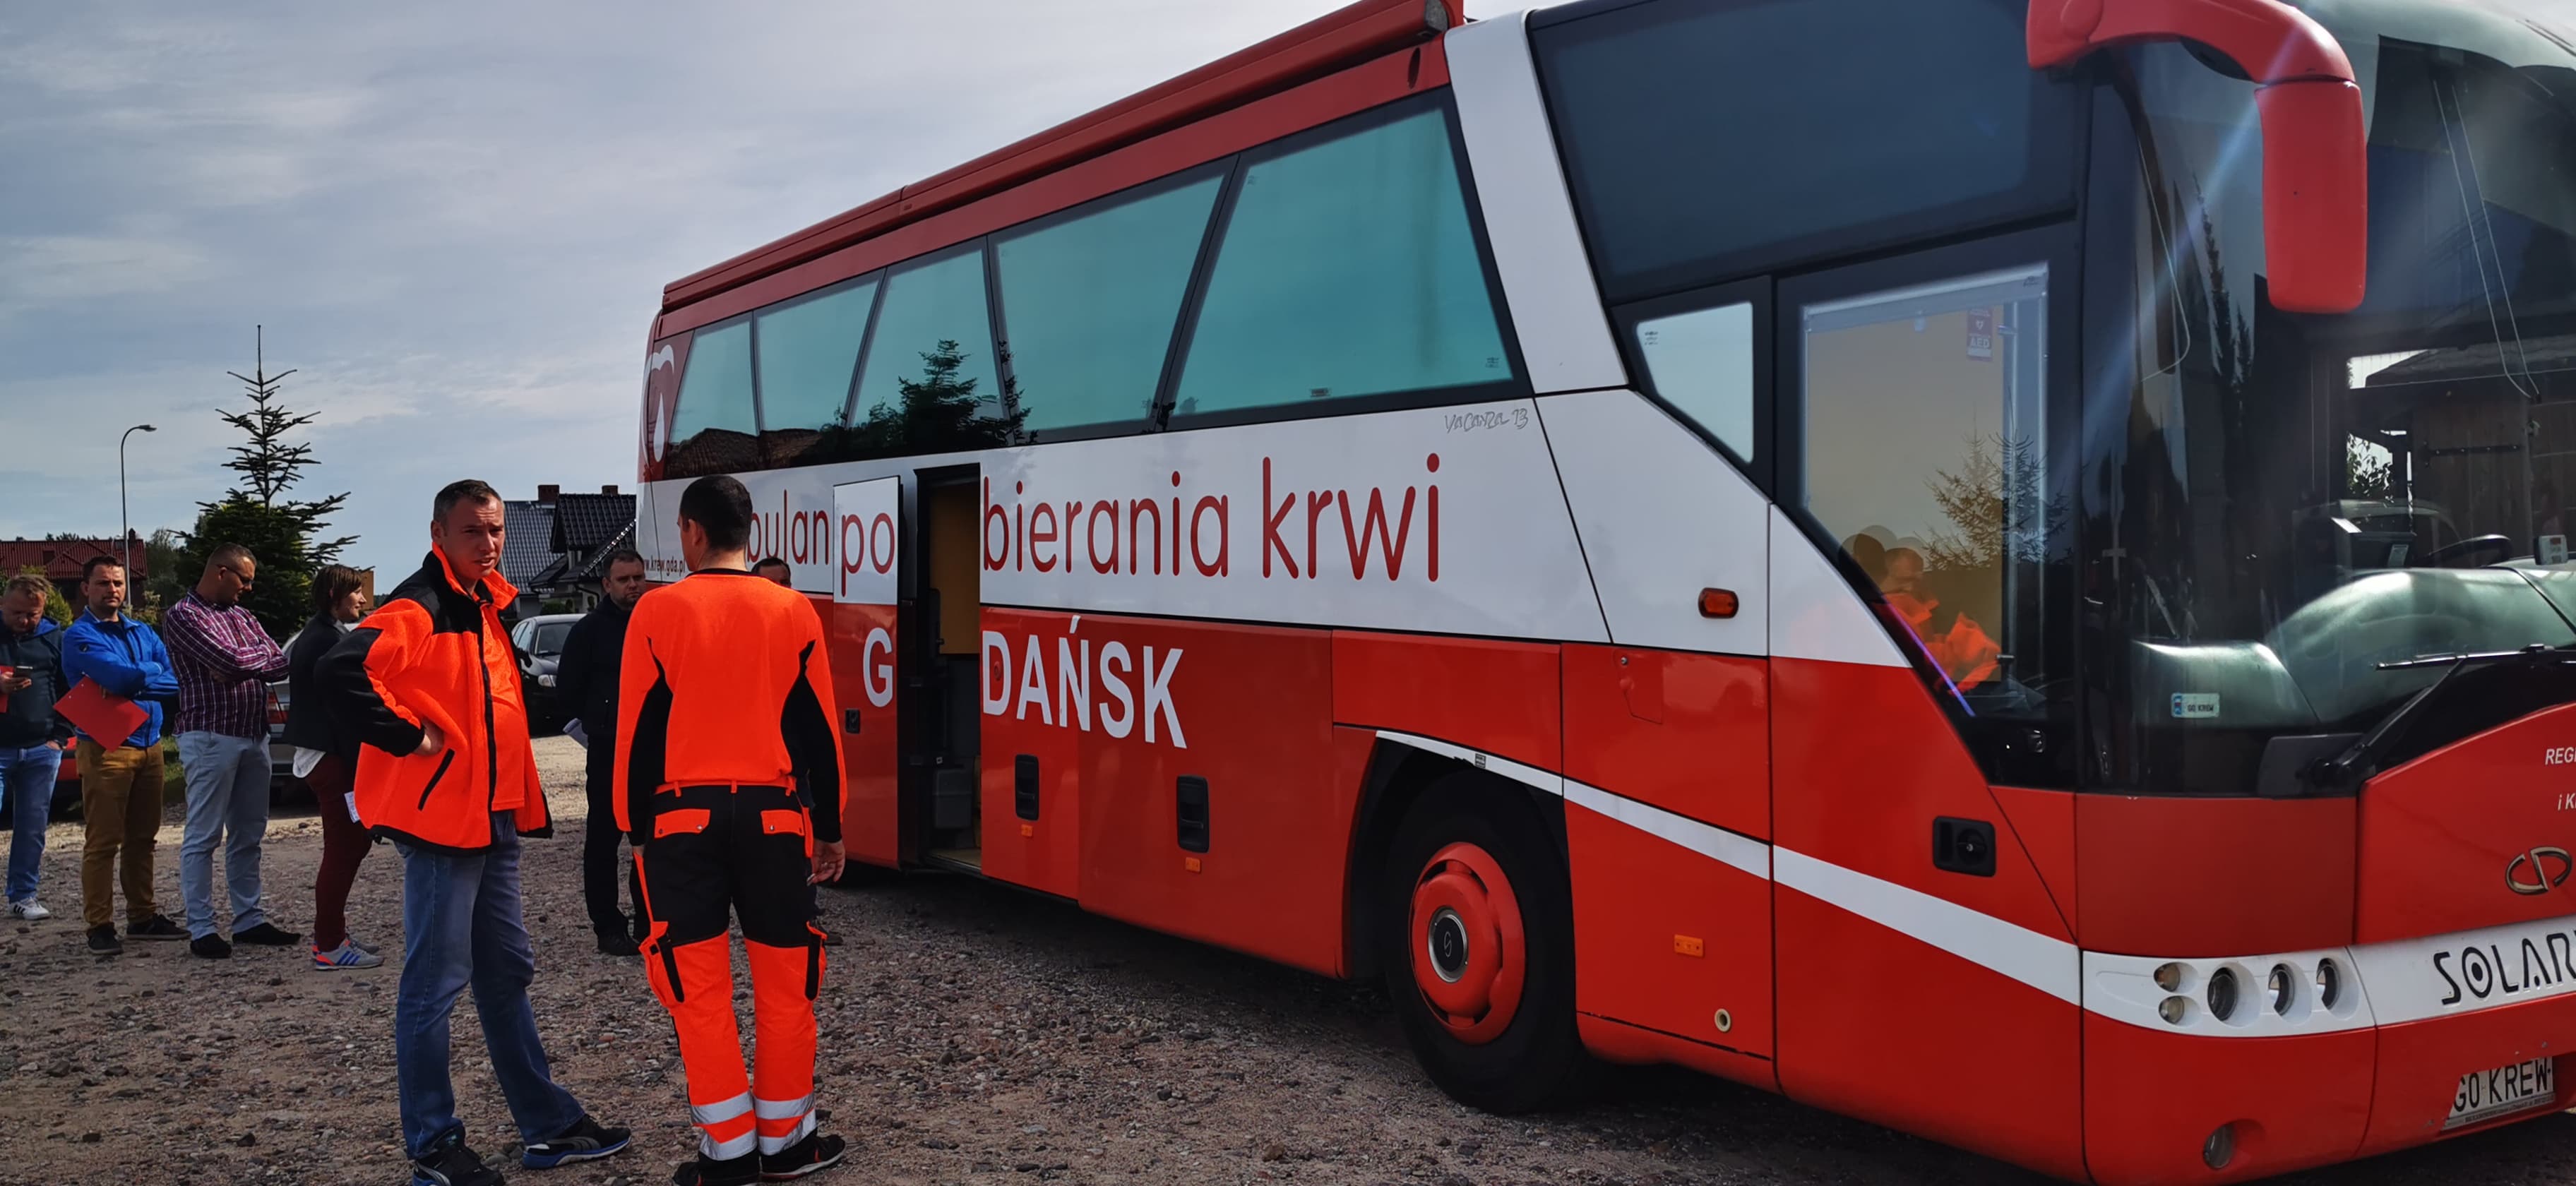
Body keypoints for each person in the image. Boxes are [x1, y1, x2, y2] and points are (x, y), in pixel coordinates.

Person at [320, 479, 630, 1186]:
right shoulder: (419, 606)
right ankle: (432, 1146)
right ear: (440, 533)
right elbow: (340, 668)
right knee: (433, 983)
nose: (488, 544)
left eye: (494, 531)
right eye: (472, 532)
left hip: (491, 816)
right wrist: (407, 736)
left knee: (505, 972)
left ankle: (547, 1128)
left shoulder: (489, 605)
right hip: (442, 823)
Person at [619, 477, 848, 1185]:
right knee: (787, 981)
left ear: (690, 531)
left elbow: (637, 735)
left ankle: (728, 1153)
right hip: (776, 818)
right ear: (751, 527)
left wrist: (636, 830)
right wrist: (832, 828)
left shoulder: (657, 611)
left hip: (683, 822)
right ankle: (787, 1141)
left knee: (698, 987)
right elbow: (820, 730)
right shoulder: (793, 610)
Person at [160, 544, 299, 958]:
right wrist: (242, 661)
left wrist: (240, 663)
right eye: (244, 579)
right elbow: (231, 659)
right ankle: (201, 928)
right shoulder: (182, 616)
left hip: (253, 735)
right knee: (203, 835)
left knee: (249, 833)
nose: (249, 588)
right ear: (221, 572)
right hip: (209, 735)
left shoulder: (240, 615)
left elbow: (278, 662)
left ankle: (249, 920)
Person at [59, 558, 186, 954]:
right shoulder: (78, 636)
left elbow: (175, 681)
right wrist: (140, 674)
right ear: (86, 588)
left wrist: (134, 679)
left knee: (143, 839)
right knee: (103, 842)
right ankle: (99, 925)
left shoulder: (143, 630)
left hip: (148, 746)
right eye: (102, 583)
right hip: (105, 747)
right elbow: (122, 678)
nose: (112, 589)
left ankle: (142, 916)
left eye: (117, 583)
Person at [552, 548, 648, 957]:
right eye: (624, 580)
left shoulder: (656, 624)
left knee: (651, 842)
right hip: (608, 755)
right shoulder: (588, 631)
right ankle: (608, 927)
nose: (633, 586)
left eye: (638, 578)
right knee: (604, 843)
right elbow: (567, 696)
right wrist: (594, 735)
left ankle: (650, 923)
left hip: (651, 754)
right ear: (606, 584)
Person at [286, 563, 381, 969]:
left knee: (350, 847)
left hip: (327, 756)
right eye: (355, 593)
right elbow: (345, 709)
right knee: (343, 851)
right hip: (331, 758)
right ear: (333, 597)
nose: (362, 599)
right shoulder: (324, 642)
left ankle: (334, 934)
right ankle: (328, 945)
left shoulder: (320, 635)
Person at [749, 557, 839, 946]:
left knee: (801, 847)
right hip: (760, 769)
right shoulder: (748, 644)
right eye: (772, 583)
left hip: (794, 765)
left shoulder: (802, 635)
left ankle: (804, 918)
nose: (781, 590)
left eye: (786, 581)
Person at [0, 574, 71, 921]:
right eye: (17, 613)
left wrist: (58, 738)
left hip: (42, 749)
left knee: (32, 827)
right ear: (3, 604)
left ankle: (23, 895)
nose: (25, 621)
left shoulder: (54, 638)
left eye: (33, 614)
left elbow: (68, 689)